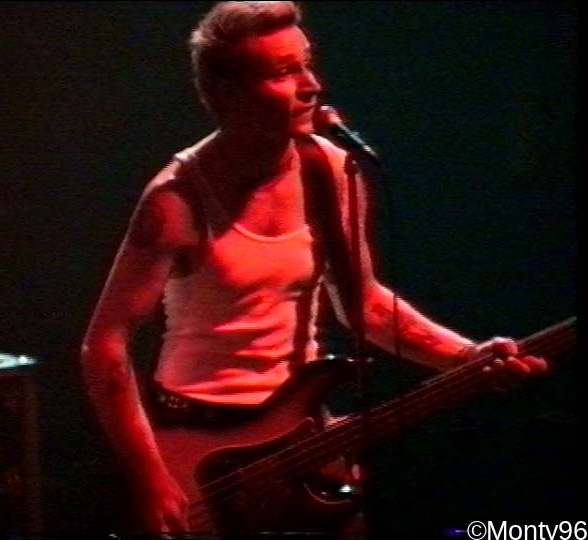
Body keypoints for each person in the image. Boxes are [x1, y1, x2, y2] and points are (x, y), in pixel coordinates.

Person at [80, 1, 547, 537]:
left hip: (299, 432)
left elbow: (365, 305)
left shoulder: (330, 169)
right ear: (229, 94)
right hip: (199, 444)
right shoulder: (177, 199)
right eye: (283, 72)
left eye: (307, 64)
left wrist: (467, 357)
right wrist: (149, 477)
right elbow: (104, 344)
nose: (312, 86)